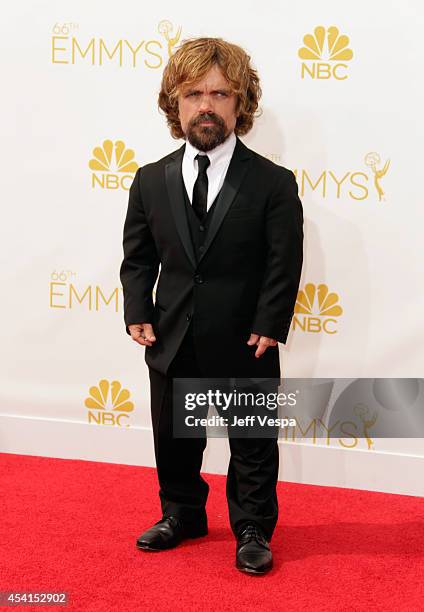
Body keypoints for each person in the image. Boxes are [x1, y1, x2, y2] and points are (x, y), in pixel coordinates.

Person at [119, 37, 303, 574]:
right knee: (174, 437)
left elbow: (283, 260)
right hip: (172, 334)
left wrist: (271, 321)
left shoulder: (272, 182)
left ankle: (252, 527)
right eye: (193, 93)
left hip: (246, 338)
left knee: (252, 443)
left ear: (240, 103)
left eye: (220, 93)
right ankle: (181, 513)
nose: (206, 104)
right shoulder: (150, 179)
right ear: (173, 103)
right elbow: (138, 255)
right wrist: (138, 309)